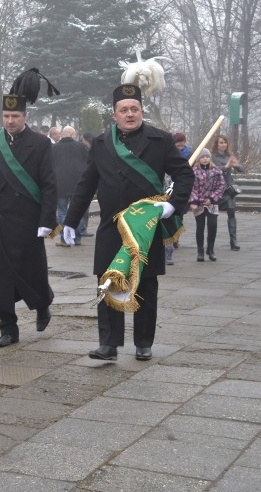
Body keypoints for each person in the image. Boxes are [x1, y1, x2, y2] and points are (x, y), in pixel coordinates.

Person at [62, 83, 193, 361]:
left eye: (135, 109)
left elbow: (185, 175)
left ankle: (143, 342)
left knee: (145, 283)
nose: (130, 114)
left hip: (146, 226)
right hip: (112, 225)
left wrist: (173, 205)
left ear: (142, 111)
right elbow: (86, 184)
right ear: (114, 115)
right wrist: (71, 220)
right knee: (107, 281)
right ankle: (109, 344)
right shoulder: (101, 143)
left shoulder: (161, 140)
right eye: (124, 110)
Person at [0, 68, 61, 348]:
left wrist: (48, 219)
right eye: (6, 116)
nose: (10, 121)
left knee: (33, 272)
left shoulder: (41, 143)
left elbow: (48, 184)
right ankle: (8, 327)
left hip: (29, 221)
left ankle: (43, 301)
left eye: (15, 117)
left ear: (25, 117)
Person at [53, 125, 88, 246]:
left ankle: (65, 239)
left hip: (60, 184)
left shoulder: (54, 148)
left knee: (62, 212)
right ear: (72, 135)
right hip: (77, 184)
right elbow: (88, 163)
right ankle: (76, 237)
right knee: (76, 210)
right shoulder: (81, 147)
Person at [189, 148, 226, 262]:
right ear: (198, 159)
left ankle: (211, 249)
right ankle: (200, 251)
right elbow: (190, 187)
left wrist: (212, 198)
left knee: (212, 225)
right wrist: (194, 201)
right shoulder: (193, 172)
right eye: (202, 157)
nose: (205, 159)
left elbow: (221, 186)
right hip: (199, 203)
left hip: (212, 203)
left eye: (207, 157)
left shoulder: (216, 171)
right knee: (200, 227)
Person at [211, 134, 243, 250]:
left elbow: (242, 169)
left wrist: (237, 165)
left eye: (224, 142)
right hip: (216, 188)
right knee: (212, 216)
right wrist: (227, 166)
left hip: (228, 188)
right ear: (216, 144)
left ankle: (233, 240)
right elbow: (215, 171)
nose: (223, 145)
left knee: (231, 211)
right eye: (220, 142)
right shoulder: (212, 156)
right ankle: (211, 242)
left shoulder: (229, 155)